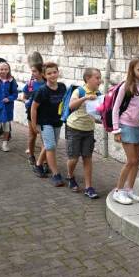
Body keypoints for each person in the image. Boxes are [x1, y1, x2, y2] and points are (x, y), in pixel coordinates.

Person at [112, 57, 139, 204]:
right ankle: (118, 191)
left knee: (137, 160)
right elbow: (115, 109)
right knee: (131, 160)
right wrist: (116, 130)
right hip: (126, 125)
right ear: (132, 70)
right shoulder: (126, 86)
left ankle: (129, 189)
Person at [65, 67, 102, 199]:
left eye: (100, 78)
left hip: (88, 130)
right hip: (74, 128)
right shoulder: (79, 91)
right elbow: (71, 106)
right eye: (97, 78)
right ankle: (70, 176)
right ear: (87, 78)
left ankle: (89, 187)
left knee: (87, 158)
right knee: (73, 158)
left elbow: (99, 111)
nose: (100, 80)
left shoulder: (98, 93)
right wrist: (85, 98)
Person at [31, 62, 67, 187]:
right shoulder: (42, 90)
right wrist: (34, 125)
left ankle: (38, 165)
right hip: (45, 122)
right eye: (49, 73)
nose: (52, 75)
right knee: (51, 146)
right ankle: (56, 174)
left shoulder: (62, 87)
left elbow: (65, 103)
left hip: (57, 121)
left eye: (54, 72)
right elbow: (34, 108)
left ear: (58, 72)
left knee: (50, 145)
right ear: (44, 75)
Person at [0, 62, 18, 152]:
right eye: (1, 69)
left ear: (9, 70)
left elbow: (15, 94)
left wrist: (9, 98)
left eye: (6, 69)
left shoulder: (12, 81)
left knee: (7, 126)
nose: (3, 71)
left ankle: (5, 144)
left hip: (8, 107)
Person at [21, 59, 45, 167]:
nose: (33, 73)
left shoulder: (46, 83)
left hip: (44, 112)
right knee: (32, 135)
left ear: (41, 72)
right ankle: (31, 155)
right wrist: (26, 101)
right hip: (31, 111)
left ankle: (44, 160)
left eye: (35, 71)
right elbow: (24, 96)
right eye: (32, 71)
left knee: (44, 137)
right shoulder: (30, 84)